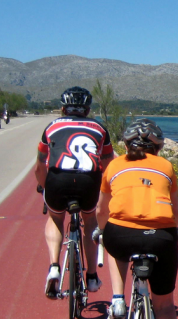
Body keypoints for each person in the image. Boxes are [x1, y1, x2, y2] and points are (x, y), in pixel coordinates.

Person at [97, 118, 178, 319]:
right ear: (158, 147)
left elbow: (102, 210)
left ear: (125, 144)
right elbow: (175, 212)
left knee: (111, 243)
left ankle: (118, 300)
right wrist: (173, 232)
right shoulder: (167, 167)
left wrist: (101, 232)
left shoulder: (114, 165)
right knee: (165, 306)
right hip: (161, 238)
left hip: (121, 235)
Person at [35, 86, 114, 299]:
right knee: (90, 223)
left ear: (62, 109)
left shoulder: (51, 127)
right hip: (88, 181)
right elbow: (109, 165)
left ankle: (53, 266)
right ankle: (91, 276)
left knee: (55, 218)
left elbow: (40, 164)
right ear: (88, 110)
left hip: (58, 179)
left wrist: (43, 186)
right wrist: (106, 192)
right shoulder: (100, 128)